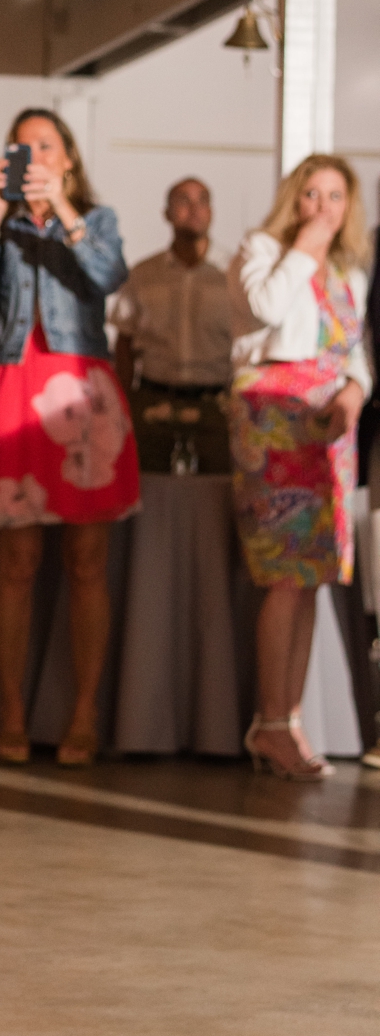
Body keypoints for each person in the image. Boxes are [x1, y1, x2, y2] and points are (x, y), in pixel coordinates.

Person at [0, 110, 137, 767]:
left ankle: (83, 711)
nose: (33, 156)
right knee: (17, 564)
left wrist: (60, 207)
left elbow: (109, 276)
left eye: (46, 146)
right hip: (15, 384)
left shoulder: (97, 217)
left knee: (87, 563)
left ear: (67, 158)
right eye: (23, 146)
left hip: (81, 389)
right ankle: (10, 709)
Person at [227, 156, 371, 781]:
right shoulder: (262, 248)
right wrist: (305, 245)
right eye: (312, 194)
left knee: (311, 577)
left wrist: (356, 392)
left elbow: (356, 350)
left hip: (328, 427)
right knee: (283, 574)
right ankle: (270, 720)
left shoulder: (351, 270)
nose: (324, 206)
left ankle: (285, 719)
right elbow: (263, 305)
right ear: (295, 199)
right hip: (273, 421)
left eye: (336, 196)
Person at [110, 178, 233, 473]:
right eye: (183, 200)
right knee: (149, 489)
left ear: (212, 212)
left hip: (217, 406)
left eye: (202, 200)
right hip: (154, 402)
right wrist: (123, 402)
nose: (194, 209)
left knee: (215, 494)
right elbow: (124, 341)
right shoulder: (143, 274)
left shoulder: (233, 273)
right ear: (166, 213)